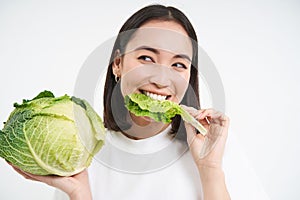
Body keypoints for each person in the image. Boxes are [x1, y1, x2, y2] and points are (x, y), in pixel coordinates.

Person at [11, 4, 231, 200]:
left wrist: (209, 168)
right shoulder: (80, 155)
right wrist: (79, 194)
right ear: (118, 63)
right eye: (146, 58)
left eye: (179, 65)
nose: (162, 80)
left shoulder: (214, 150)